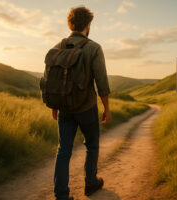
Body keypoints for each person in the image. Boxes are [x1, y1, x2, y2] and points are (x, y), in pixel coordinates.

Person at [51, 6, 111, 200]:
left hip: (64, 108)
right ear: (88, 24)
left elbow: (52, 79)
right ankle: (90, 183)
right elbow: (101, 81)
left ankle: (61, 195)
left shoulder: (56, 47)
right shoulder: (94, 48)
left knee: (63, 151)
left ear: (70, 24)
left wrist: (54, 105)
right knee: (92, 146)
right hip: (87, 108)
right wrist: (107, 108)